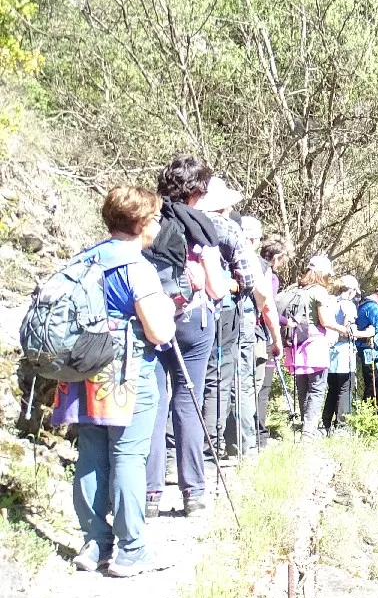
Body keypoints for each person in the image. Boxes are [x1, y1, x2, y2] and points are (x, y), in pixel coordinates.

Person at [56, 186, 176, 575]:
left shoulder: (86, 258)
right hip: (124, 373)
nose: (157, 224)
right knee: (127, 455)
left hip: (80, 369)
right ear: (142, 223)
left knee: (90, 454)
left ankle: (93, 543)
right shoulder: (136, 267)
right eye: (154, 218)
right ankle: (131, 549)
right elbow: (158, 332)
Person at [144, 156, 224, 517]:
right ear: (195, 191)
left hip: (151, 318)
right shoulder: (200, 228)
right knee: (187, 403)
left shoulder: (147, 222)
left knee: (155, 404)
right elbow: (217, 288)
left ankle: (150, 494)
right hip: (194, 321)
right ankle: (193, 492)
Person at [192, 176, 258, 468]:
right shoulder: (227, 228)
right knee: (217, 379)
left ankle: (173, 453)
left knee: (184, 381)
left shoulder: (179, 223)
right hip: (222, 311)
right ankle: (209, 448)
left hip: (180, 309)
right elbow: (247, 279)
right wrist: (228, 284)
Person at [280, 256, 349, 441]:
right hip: (314, 343)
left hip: (295, 342)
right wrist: (343, 329)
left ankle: (305, 425)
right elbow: (325, 321)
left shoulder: (295, 289)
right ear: (322, 274)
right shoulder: (319, 291)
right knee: (317, 388)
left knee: (303, 386)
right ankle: (309, 433)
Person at [254, 238, 287, 446]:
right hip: (262, 334)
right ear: (275, 258)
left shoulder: (248, 264)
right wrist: (281, 329)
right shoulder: (269, 276)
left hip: (244, 331)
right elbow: (268, 307)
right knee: (262, 386)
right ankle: (260, 436)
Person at [321, 275, 364, 433]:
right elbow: (348, 330)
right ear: (352, 290)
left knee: (332, 388)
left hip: (328, 350)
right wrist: (366, 333)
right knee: (345, 388)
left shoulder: (330, 301)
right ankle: (341, 426)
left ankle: (325, 423)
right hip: (343, 351)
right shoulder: (349, 305)